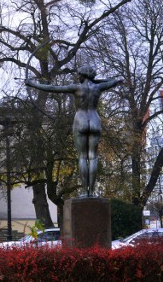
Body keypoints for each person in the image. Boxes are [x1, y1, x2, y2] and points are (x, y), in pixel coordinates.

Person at [26, 66, 122, 197]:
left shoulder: (76, 87)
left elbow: (53, 88)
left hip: (80, 120)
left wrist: (33, 84)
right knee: (93, 157)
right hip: (94, 120)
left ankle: (84, 191)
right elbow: (113, 80)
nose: (78, 77)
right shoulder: (98, 87)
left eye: (80, 75)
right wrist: (95, 81)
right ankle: (92, 192)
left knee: (82, 157)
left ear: (83, 75)